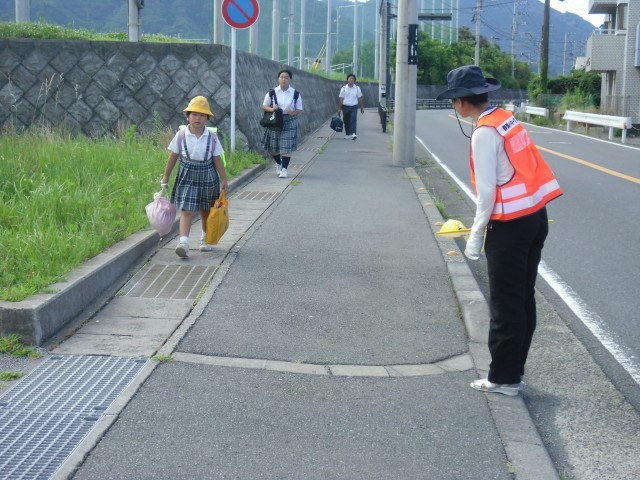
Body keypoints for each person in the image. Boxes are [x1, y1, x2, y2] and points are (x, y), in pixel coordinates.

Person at [436, 65, 563, 396]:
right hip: (535, 217)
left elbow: (488, 194)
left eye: (454, 101)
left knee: (506, 306)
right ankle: (513, 372)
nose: (455, 107)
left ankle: (504, 380)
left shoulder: (483, 132)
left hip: (508, 227)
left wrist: (475, 238)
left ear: (462, 102)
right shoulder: (506, 119)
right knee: (522, 299)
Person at [161, 96, 228, 258]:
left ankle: (205, 239)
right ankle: (183, 242)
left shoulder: (211, 137)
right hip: (187, 175)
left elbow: (217, 159)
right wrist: (166, 177)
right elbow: (173, 156)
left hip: (208, 176)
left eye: (202, 115)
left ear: (207, 119)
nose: (197, 118)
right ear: (188, 116)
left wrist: (224, 178)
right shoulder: (181, 135)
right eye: (194, 114)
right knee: (187, 210)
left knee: (206, 211)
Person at [261, 69, 303, 178]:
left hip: (289, 120)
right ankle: (279, 163)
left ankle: (284, 169)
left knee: (286, 146)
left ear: (290, 80)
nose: (284, 79)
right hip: (275, 120)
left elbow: (299, 108)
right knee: (272, 148)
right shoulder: (272, 92)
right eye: (282, 77)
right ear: (278, 79)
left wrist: (292, 113)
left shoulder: (295, 93)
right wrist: (272, 109)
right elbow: (264, 105)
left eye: (286, 77)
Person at [337, 73, 364, 140]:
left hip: (354, 106)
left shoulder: (357, 88)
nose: (351, 80)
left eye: (352, 79)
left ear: (354, 80)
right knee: (346, 121)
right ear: (347, 80)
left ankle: (354, 133)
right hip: (345, 106)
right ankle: (348, 134)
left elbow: (360, 98)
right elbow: (341, 98)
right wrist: (339, 109)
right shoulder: (344, 88)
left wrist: (361, 108)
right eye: (350, 78)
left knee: (353, 119)